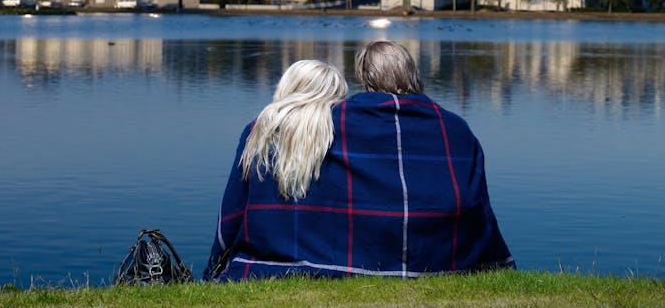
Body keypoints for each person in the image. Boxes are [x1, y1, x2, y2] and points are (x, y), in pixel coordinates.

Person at [204, 43, 514, 281]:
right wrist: (500, 261)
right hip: (445, 259)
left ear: (364, 78)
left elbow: (237, 208)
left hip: (342, 259)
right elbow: (479, 208)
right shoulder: (457, 129)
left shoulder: (323, 125)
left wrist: (215, 266)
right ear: (414, 75)